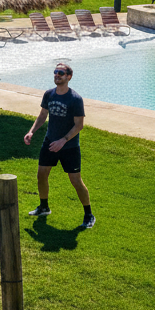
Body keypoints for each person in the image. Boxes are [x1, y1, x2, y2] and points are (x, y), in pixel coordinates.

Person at [24, 62, 94, 229]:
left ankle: (89, 214)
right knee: (41, 174)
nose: (57, 75)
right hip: (49, 142)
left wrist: (63, 140)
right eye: (55, 72)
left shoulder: (75, 99)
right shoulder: (49, 94)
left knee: (75, 180)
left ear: (68, 77)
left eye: (61, 73)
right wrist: (31, 131)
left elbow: (79, 125)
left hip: (69, 147)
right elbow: (42, 115)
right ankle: (44, 207)